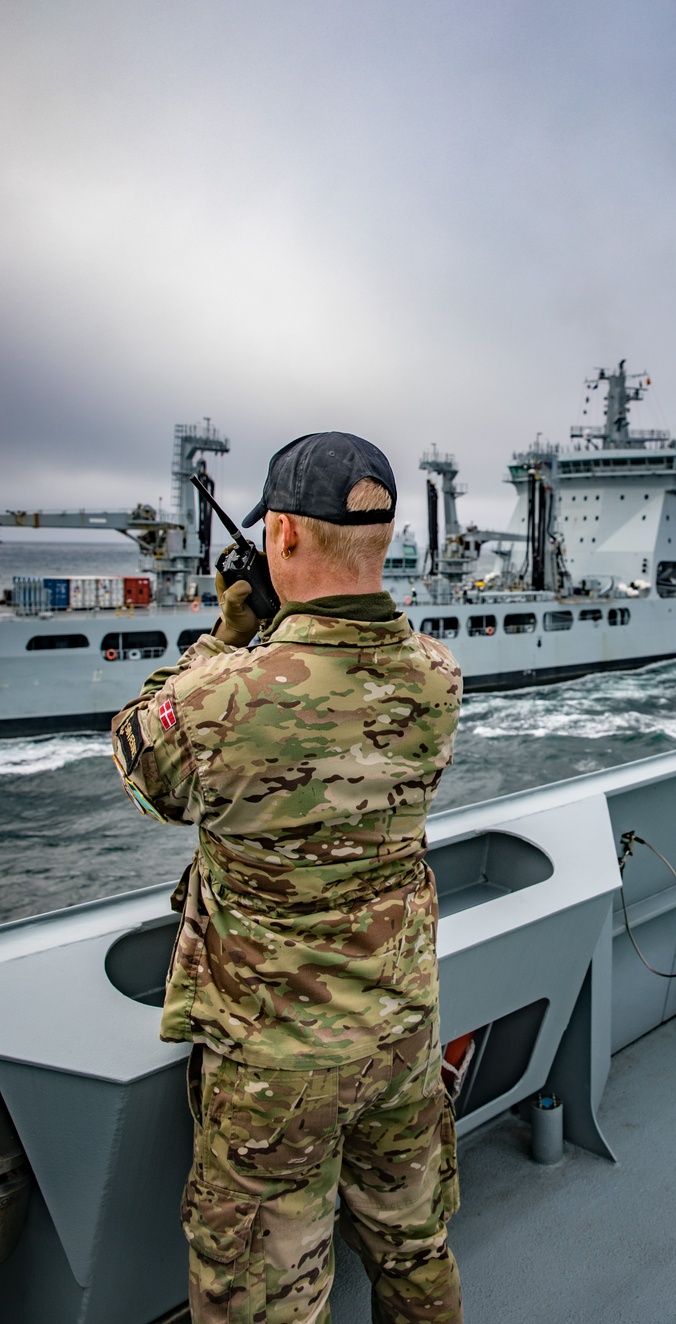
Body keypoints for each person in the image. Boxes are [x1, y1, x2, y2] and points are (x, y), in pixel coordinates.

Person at [110, 431, 464, 1324]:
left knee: (266, 1301)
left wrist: (220, 638)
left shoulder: (217, 695)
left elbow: (142, 765)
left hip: (275, 1065)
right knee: (415, 1251)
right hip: (401, 1035)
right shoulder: (438, 678)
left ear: (284, 538)